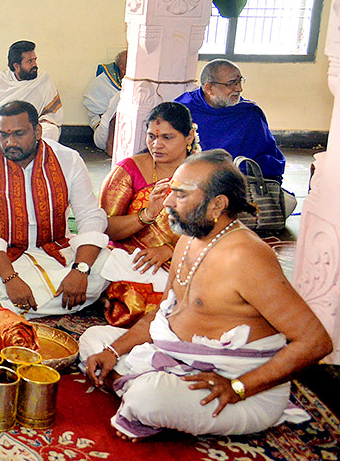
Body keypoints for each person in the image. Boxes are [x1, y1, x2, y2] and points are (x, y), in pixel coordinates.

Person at [81, 150, 331, 440]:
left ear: (217, 205)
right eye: (171, 191)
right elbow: (163, 314)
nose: (168, 202)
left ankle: (141, 394)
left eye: (181, 195)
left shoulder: (245, 257)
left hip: (238, 388)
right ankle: (142, 390)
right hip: (175, 357)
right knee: (93, 341)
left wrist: (239, 387)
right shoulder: (189, 238)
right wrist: (112, 352)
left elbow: (315, 342)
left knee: (148, 399)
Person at [0, 100, 109, 317]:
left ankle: (2, 309)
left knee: (107, 265)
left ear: (37, 131)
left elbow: (89, 216)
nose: (10, 142)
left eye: (19, 134)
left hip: (58, 251)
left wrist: (80, 270)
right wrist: (10, 278)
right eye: (3, 135)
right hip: (0, 257)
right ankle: (67, 302)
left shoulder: (67, 159)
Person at [98, 102, 197, 307]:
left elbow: (218, 228)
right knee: (142, 301)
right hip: (132, 258)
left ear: (189, 136)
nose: (156, 145)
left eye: (167, 137)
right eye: (152, 136)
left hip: (187, 258)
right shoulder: (128, 170)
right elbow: (105, 228)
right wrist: (148, 214)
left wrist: (170, 250)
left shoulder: (205, 173)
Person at [174, 59, 294, 212]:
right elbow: (170, 152)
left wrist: (237, 175)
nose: (239, 89)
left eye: (240, 81)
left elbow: (272, 160)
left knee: (289, 204)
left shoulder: (249, 113)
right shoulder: (184, 110)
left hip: (238, 186)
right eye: (232, 84)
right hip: (194, 185)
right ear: (209, 88)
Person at [0, 40, 64, 141]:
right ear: (16, 66)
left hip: (31, 128)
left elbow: (52, 113)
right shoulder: (1, 80)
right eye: (30, 61)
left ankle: (38, 156)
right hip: (6, 128)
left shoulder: (43, 79)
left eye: (35, 60)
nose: (35, 64)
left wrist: (43, 122)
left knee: (50, 130)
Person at [83, 50, 127, 153]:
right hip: (104, 135)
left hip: (126, 133)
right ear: (123, 68)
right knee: (121, 96)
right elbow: (99, 116)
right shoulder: (103, 81)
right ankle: (111, 147)